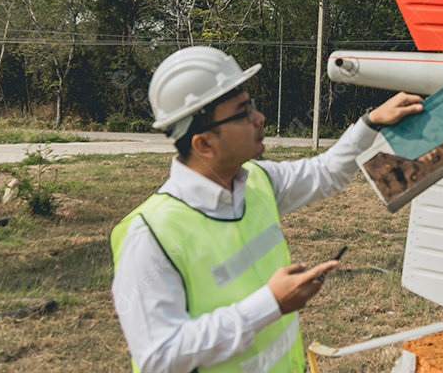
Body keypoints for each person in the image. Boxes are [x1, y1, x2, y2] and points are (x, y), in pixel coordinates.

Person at [110, 46, 423, 373]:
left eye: (252, 106)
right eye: (243, 112)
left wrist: (370, 123)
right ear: (203, 143)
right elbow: (158, 358)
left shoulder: (257, 182)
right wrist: (269, 304)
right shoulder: (150, 235)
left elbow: (325, 173)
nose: (259, 119)